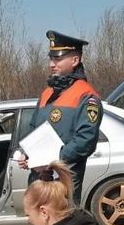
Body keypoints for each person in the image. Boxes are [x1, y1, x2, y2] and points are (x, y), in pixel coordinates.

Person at [18, 30, 102, 207]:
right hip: (39, 177)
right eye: (50, 59)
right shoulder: (47, 93)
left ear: (75, 60)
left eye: (57, 59)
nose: (51, 64)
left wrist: (52, 159)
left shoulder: (87, 96)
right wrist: (27, 154)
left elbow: (85, 140)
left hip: (63, 178)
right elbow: (34, 129)